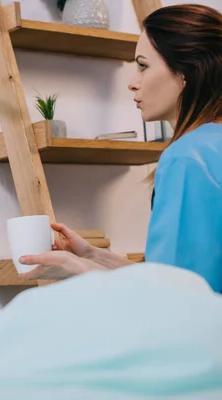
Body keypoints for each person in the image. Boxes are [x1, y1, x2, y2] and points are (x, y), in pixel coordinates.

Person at [18, 4, 222, 293]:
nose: (132, 83)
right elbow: (177, 277)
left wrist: (75, 268)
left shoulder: (187, 158)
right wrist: (92, 256)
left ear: (186, 72)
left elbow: (175, 297)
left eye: (143, 65)